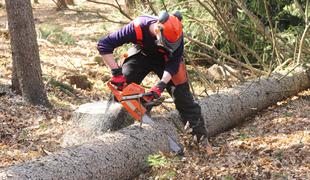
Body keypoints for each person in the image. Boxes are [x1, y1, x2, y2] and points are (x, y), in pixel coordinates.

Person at [97, 11, 209, 146]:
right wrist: (116, 73)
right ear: (157, 30)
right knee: (121, 89)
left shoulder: (176, 33)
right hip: (141, 54)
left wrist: (161, 85)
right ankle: (108, 132)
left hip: (166, 61)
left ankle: (201, 141)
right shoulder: (137, 26)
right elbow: (104, 44)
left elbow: (173, 64)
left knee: (184, 98)